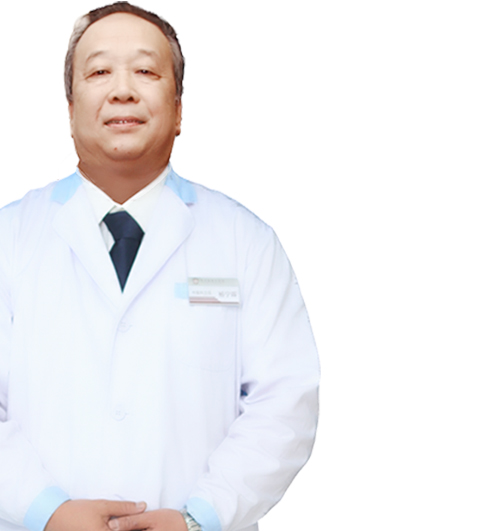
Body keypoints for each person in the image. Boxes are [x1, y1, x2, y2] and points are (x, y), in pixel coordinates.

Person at [0, 3, 319, 531]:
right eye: (99, 72)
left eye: (146, 71)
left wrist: (199, 518)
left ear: (178, 108)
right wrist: (45, 511)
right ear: (70, 107)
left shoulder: (245, 241)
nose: (123, 89)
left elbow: (286, 401)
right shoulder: (9, 239)